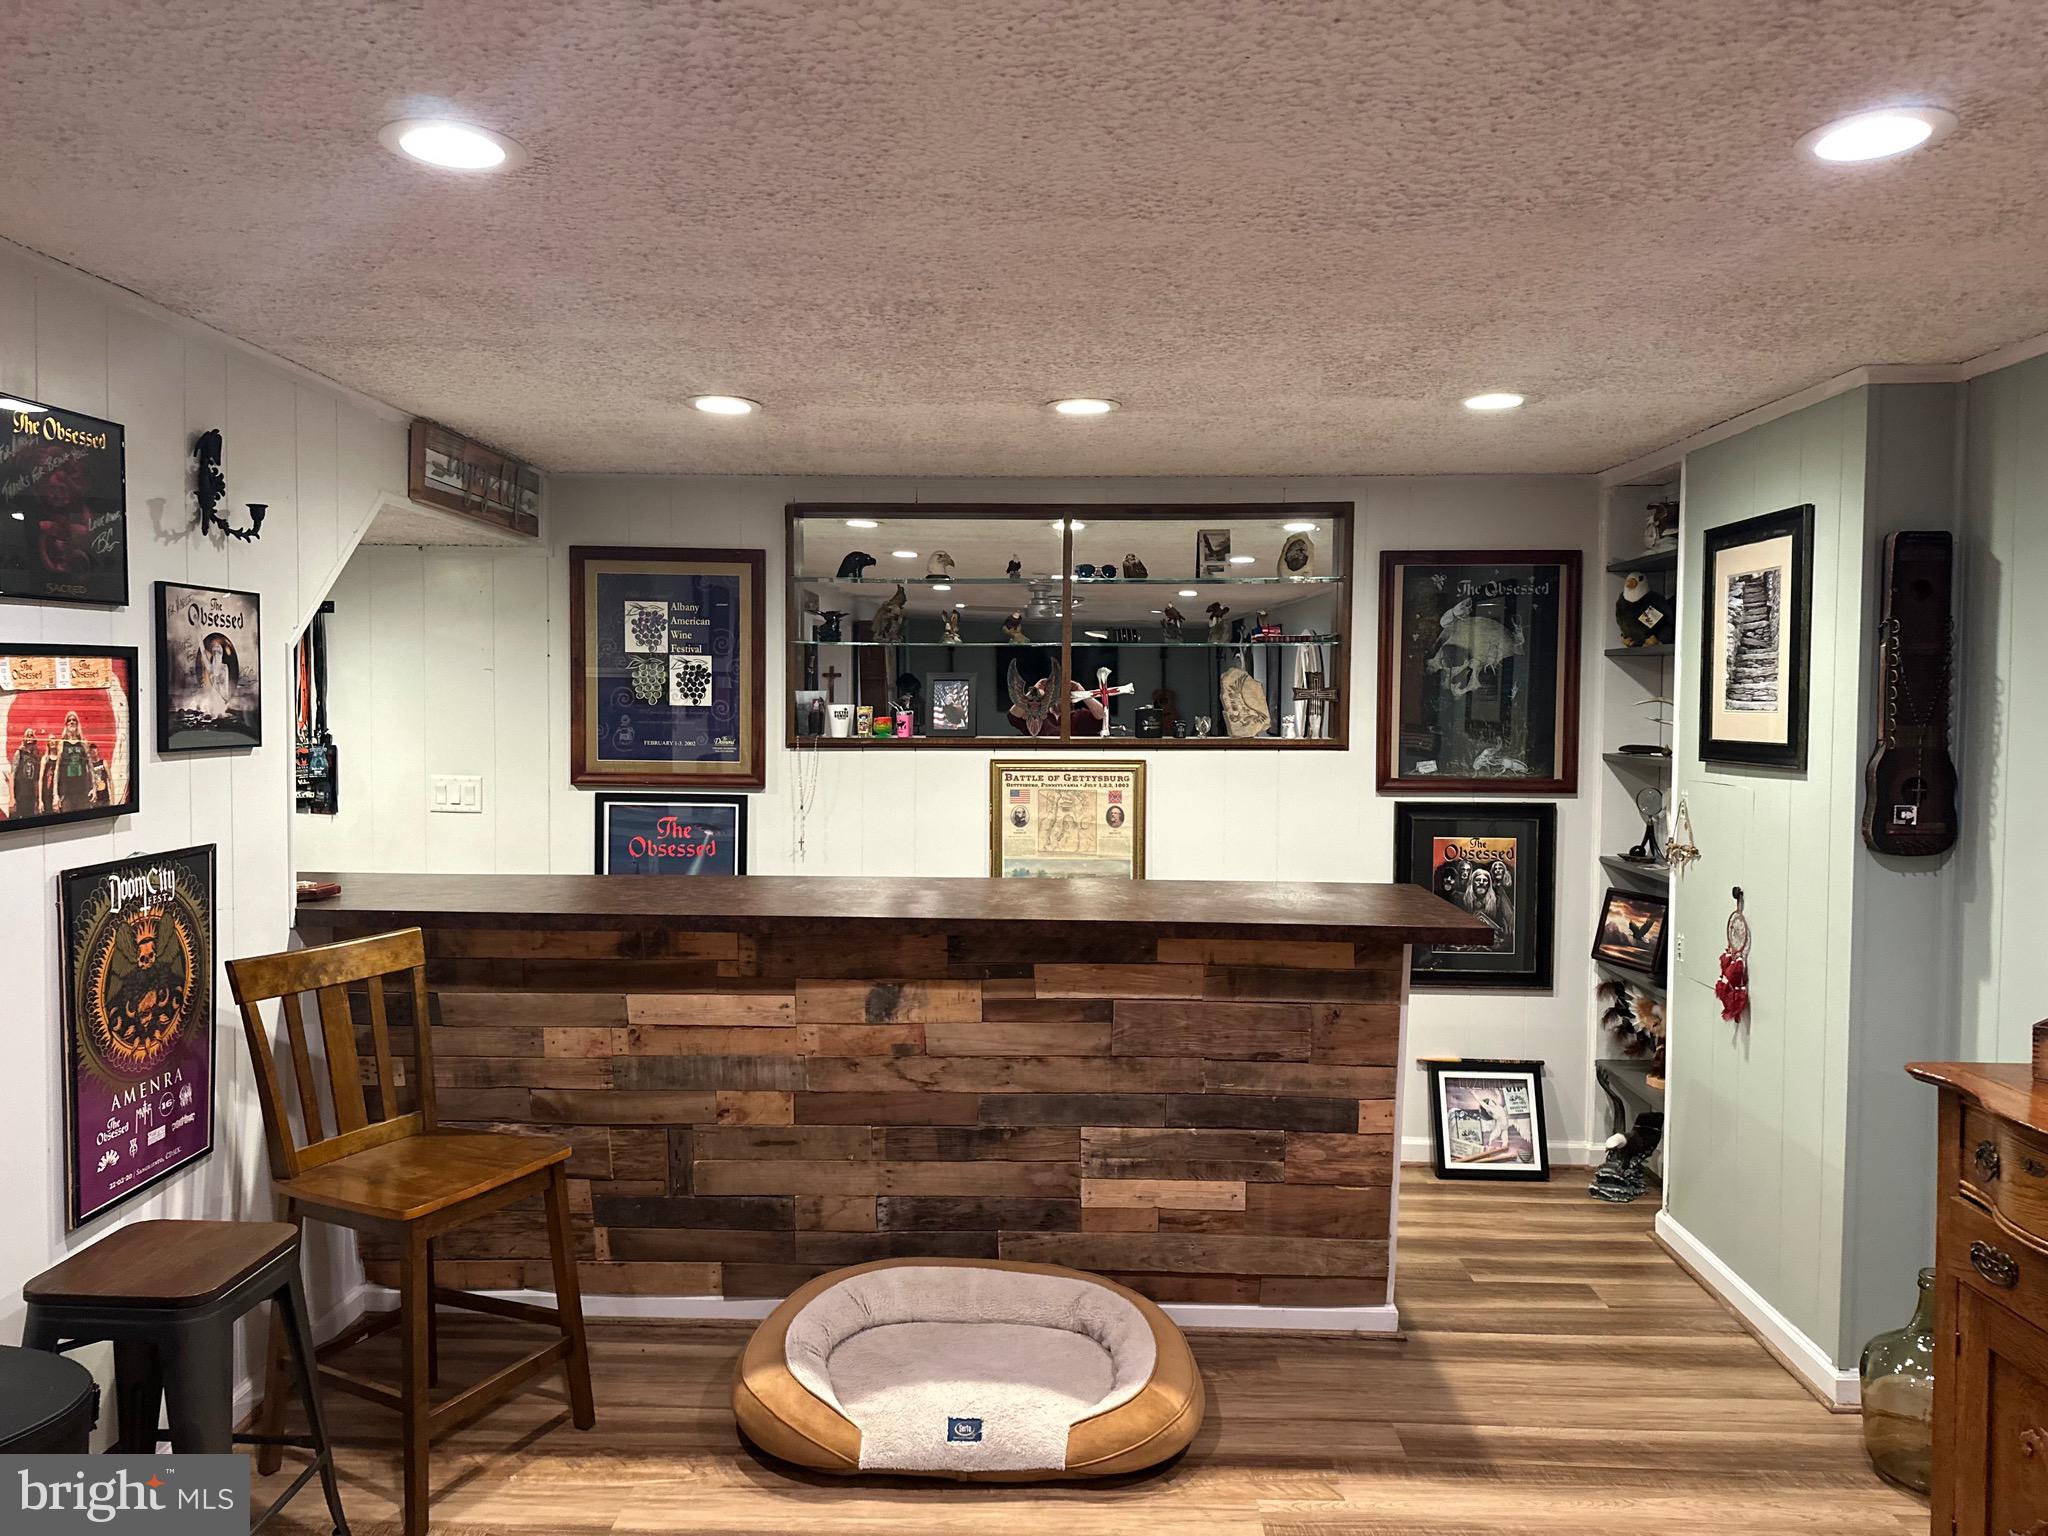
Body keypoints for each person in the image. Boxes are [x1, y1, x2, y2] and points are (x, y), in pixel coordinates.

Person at [43, 711, 109, 813]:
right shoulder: (62, 744)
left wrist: (94, 788)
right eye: (69, 720)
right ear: (66, 724)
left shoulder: (83, 743)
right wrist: (55, 794)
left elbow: (91, 767)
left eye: (74, 720)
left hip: (82, 791)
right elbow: (57, 771)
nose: (71, 722)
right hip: (66, 793)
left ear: (78, 724)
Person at [8, 726, 42, 819]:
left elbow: (36, 780)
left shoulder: (36, 756)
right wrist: (12, 798)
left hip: (30, 796)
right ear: (24, 738)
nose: (30, 737)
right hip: (19, 795)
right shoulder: (19, 753)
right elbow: (12, 775)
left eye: (31, 735)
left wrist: (37, 799)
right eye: (28, 735)